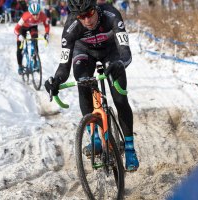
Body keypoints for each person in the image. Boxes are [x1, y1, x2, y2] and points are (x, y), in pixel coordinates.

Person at [44, 0, 139, 172]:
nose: (87, 20)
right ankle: (94, 137)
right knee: (82, 82)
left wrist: (121, 63)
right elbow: (64, 67)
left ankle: (130, 148)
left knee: (119, 98)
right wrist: (56, 80)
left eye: (89, 13)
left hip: (111, 52)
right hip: (84, 52)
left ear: (96, 8)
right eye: (81, 16)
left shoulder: (111, 15)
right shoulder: (71, 27)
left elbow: (126, 53)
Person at [14, 2, 50, 75]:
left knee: (35, 41)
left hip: (33, 27)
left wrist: (47, 33)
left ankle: (35, 60)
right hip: (22, 29)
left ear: (40, 12)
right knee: (19, 49)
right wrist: (19, 35)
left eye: (37, 14)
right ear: (30, 13)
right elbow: (15, 29)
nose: (36, 16)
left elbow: (46, 25)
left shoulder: (43, 16)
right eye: (33, 14)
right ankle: (20, 66)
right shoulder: (25, 16)